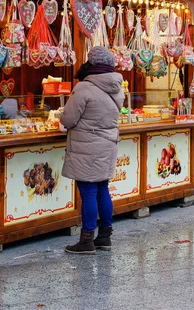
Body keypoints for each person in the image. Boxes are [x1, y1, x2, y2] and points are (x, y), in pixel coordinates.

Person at [61, 46, 124, 254]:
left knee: (88, 192)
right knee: (102, 189)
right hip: (107, 145)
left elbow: (68, 119)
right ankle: (104, 237)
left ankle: (86, 240)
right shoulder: (117, 87)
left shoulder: (84, 88)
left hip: (87, 147)